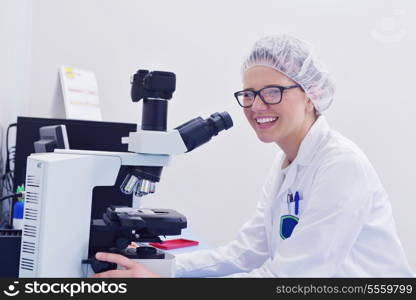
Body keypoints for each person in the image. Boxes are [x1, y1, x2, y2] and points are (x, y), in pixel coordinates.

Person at [93, 34, 414, 278]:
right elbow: (246, 252)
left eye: (272, 91)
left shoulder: (340, 165)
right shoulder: (286, 163)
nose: (257, 106)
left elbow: (288, 279)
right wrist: (164, 268)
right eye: (248, 94)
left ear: (310, 95)